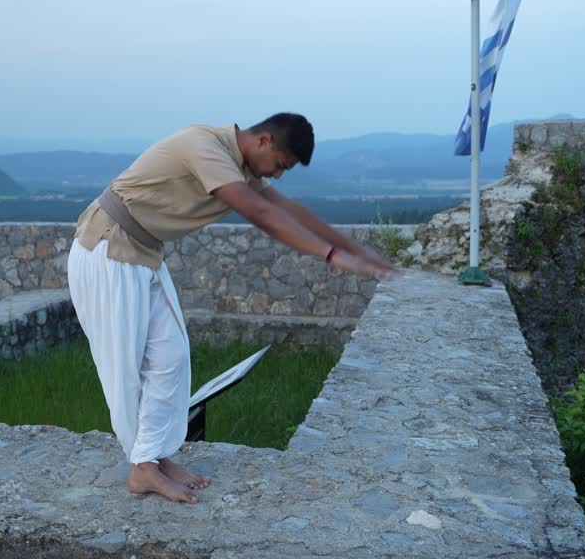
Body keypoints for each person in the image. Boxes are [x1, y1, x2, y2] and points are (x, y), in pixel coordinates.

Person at [67, 113, 398, 504]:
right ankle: (142, 469)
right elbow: (262, 215)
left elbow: (287, 209)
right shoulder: (204, 146)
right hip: (108, 248)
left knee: (171, 358)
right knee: (124, 367)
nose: (277, 176)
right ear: (264, 142)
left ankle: (154, 457)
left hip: (143, 253)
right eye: (279, 165)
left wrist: (357, 250)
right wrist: (332, 256)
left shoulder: (238, 163)